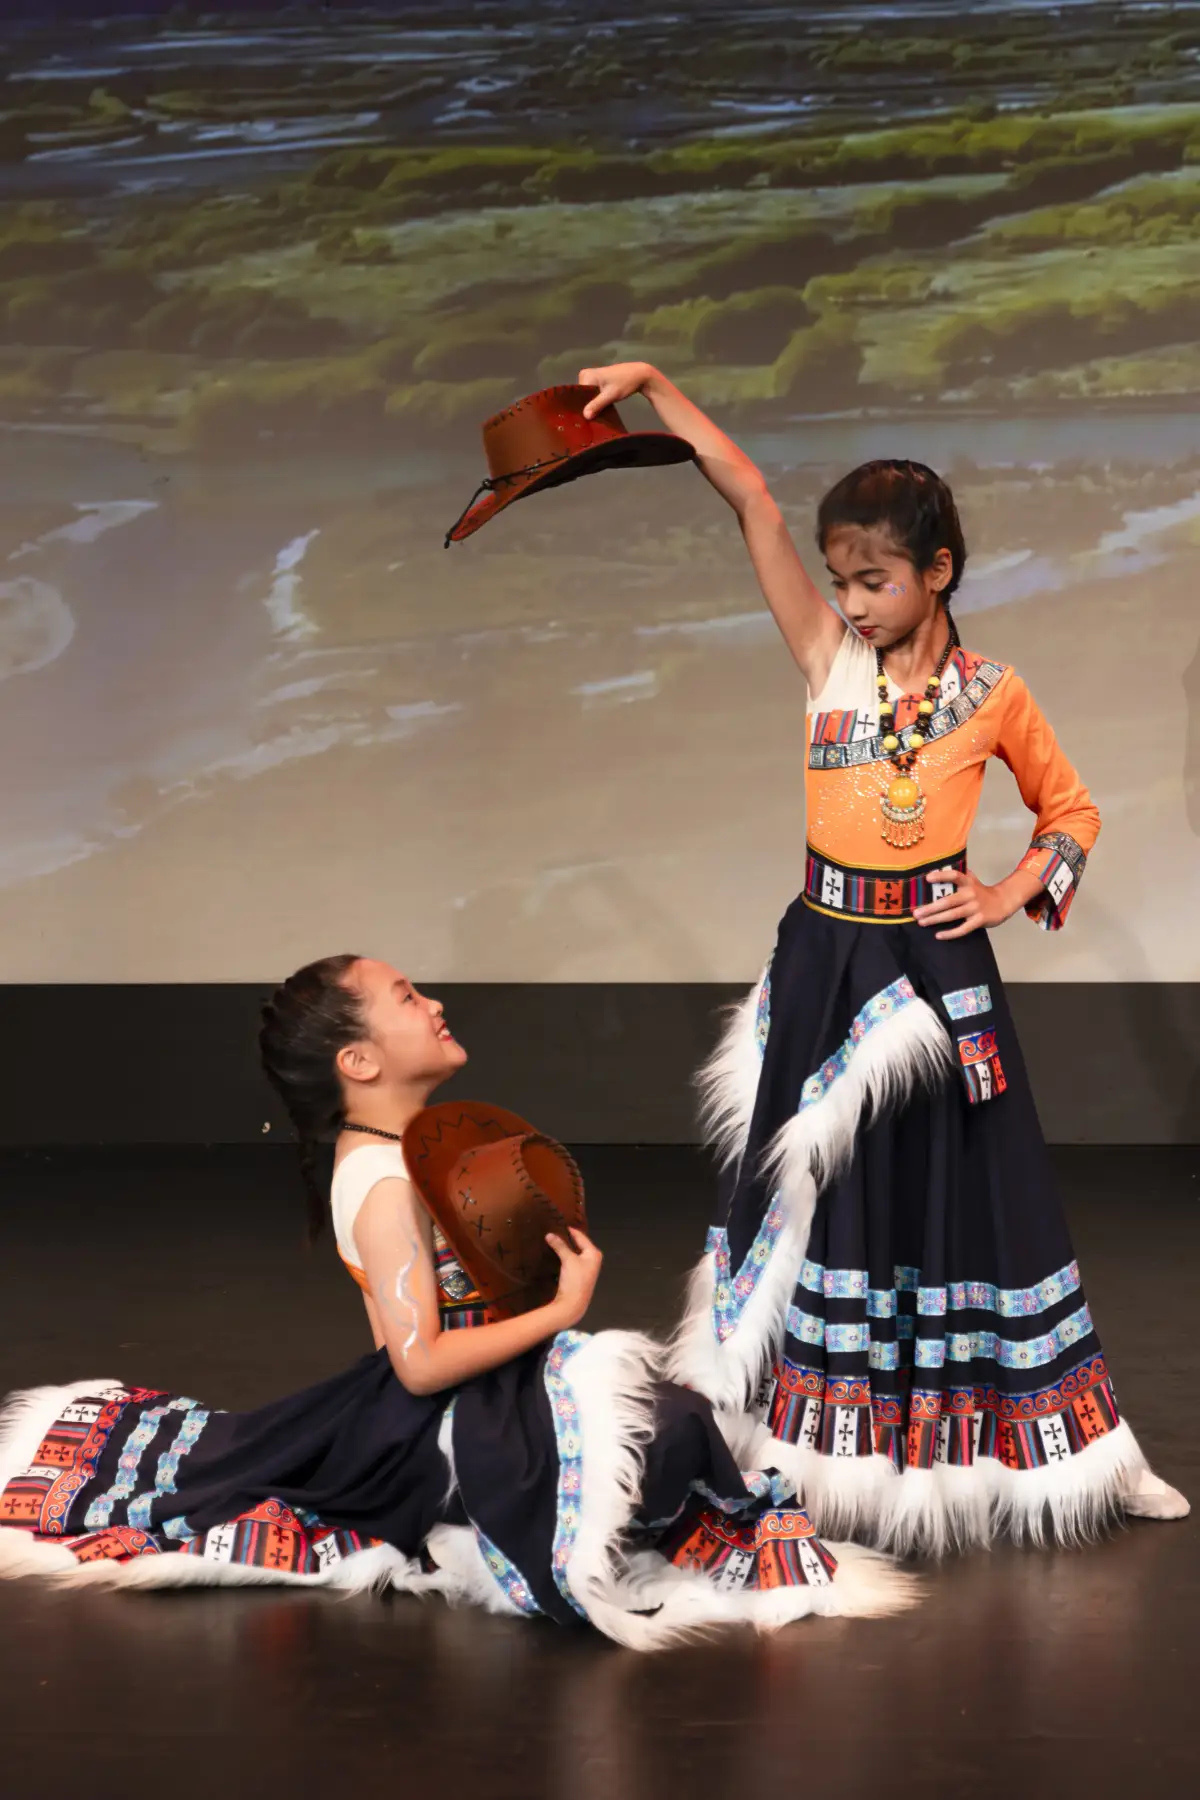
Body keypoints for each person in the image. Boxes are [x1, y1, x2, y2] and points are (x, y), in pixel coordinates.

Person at [575, 361, 1188, 1551]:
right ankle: (807, 1445)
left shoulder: (995, 694)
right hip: (824, 967)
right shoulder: (828, 665)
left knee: (983, 1203)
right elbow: (747, 492)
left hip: (932, 969)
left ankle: (1083, 1453)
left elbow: (1073, 814)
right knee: (814, 1201)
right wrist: (654, 384)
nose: (850, 601)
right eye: (842, 579)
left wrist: (1010, 889)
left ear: (938, 572)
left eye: (875, 580)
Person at [0, 955, 916, 1645]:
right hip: (438, 1413)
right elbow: (420, 1359)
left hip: (473, 1385)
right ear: (359, 1060)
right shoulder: (384, 1183)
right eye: (406, 998)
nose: (433, 1003)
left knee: (670, 1425)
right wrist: (561, 1313)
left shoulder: (398, 1156)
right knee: (665, 1435)